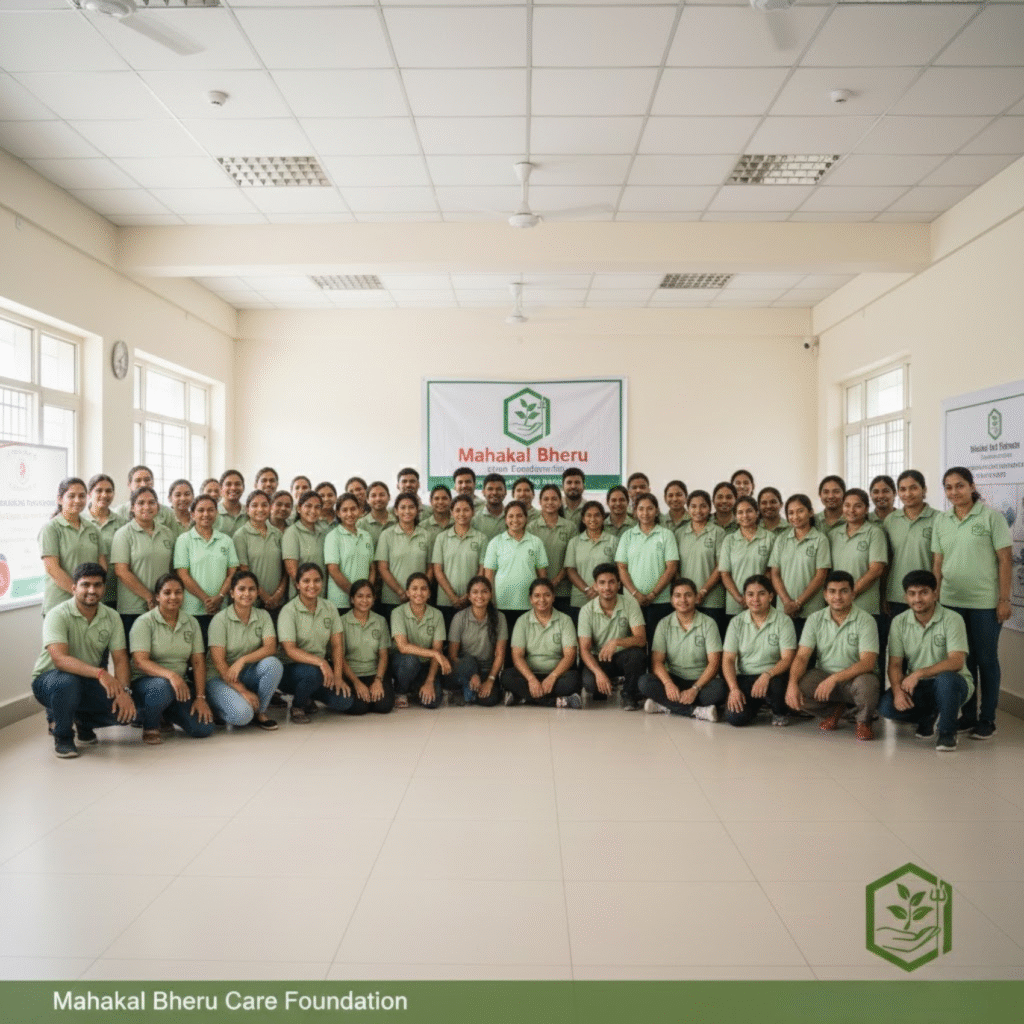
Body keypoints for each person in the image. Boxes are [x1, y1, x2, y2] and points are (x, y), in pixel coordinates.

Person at [932, 466, 1012, 740]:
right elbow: (938, 563)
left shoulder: (991, 518)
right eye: (949, 487)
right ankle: (967, 716)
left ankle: (987, 719)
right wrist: (935, 598)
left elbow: (1005, 560)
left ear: (971, 486)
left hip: (985, 604)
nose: (954, 492)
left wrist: (1003, 599)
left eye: (959, 485)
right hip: (951, 602)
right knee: (960, 662)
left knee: (986, 660)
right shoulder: (942, 521)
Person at [31, 563, 135, 758]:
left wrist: (123, 692)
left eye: (97, 585)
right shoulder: (57, 614)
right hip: (50, 681)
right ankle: (63, 736)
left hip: (86, 681)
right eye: (85, 585)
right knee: (67, 682)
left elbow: (120, 659)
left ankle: (83, 721)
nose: (91, 590)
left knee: (126, 714)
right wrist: (100, 673)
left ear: (104, 588)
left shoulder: (111, 616)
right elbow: (60, 660)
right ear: (74, 588)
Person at [878, 570, 973, 752]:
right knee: (886, 707)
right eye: (912, 594)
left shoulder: (953, 619)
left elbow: (956, 662)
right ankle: (927, 716)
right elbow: (895, 664)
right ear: (906, 597)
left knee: (946, 680)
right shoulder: (899, 622)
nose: (917, 599)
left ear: (935, 594)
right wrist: (898, 691)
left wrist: (919, 673)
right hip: (920, 685)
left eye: (924, 592)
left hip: (954, 682)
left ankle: (947, 733)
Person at [786, 570, 880, 740]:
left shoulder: (866, 620)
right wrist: (791, 683)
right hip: (824, 674)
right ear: (825, 595)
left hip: (856, 677)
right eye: (832, 591)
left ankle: (863, 721)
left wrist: (834, 678)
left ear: (852, 593)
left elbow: (868, 663)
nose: (838, 597)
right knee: (798, 689)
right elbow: (801, 657)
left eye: (844, 591)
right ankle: (833, 711)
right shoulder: (815, 619)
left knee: (868, 686)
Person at [128, 572, 215, 745]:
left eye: (178, 592)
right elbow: (140, 661)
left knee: (203, 728)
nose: (173, 597)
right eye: (167, 593)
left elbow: (198, 662)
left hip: (179, 686)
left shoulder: (191, 623)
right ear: (157, 597)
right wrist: (171, 675)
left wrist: (200, 697)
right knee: (162, 686)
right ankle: (150, 725)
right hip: (147, 683)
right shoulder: (144, 622)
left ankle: (164, 712)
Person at [638, 578, 727, 720]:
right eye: (677, 596)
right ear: (672, 600)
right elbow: (657, 662)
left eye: (688, 595)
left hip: (701, 681)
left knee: (720, 689)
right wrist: (668, 684)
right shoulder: (664, 624)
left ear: (696, 597)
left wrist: (695, 689)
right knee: (644, 682)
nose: (683, 600)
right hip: (675, 679)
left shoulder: (709, 624)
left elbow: (714, 663)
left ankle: (665, 705)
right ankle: (696, 711)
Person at [206, 569, 282, 731]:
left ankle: (260, 712)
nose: (247, 593)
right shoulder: (220, 620)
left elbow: (270, 647)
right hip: (220, 677)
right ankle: (217, 707)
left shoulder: (263, 616)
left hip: (247, 672)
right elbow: (219, 664)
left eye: (252, 589)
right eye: (241, 589)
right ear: (232, 593)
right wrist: (243, 691)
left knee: (273, 664)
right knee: (242, 716)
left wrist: (242, 660)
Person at [277, 562, 352, 723]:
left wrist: (338, 676)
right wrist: (321, 662)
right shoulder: (288, 611)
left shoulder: (329, 607)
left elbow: (337, 645)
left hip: (319, 671)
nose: (312, 585)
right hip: (291, 671)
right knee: (313, 673)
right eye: (306, 581)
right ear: (297, 584)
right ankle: (298, 705)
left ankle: (308, 695)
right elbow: (290, 650)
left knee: (345, 701)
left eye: (317, 580)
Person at [722, 575, 797, 727]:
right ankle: (757, 705)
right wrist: (734, 689)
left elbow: (787, 658)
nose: (755, 599)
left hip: (774, 676)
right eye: (750, 594)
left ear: (770, 596)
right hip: (746, 677)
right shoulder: (736, 622)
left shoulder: (783, 621)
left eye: (761, 594)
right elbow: (728, 659)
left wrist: (766, 675)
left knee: (777, 686)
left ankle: (779, 710)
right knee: (734, 718)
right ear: (744, 597)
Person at [503, 578, 582, 708]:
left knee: (574, 680)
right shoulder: (522, 621)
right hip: (529, 674)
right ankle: (560, 701)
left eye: (547, 595)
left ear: (553, 597)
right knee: (507, 677)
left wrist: (553, 676)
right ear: (530, 599)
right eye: (537, 596)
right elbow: (517, 655)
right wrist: (531, 679)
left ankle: (523, 698)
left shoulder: (565, 620)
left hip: (557, 675)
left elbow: (570, 655)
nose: (542, 600)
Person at [110, 485, 176, 641]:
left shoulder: (167, 533)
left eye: (151, 502)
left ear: (157, 507)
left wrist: (163, 598)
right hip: (133, 608)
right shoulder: (123, 534)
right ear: (132, 508)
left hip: (163, 606)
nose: (146, 507)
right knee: (135, 656)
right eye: (141, 503)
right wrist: (149, 597)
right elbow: (121, 571)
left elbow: (171, 569)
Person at [577, 563, 647, 710]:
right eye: (602, 583)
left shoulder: (630, 603)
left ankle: (629, 695)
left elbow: (641, 639)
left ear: (619, 584)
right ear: (595, 586)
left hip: (621, 656)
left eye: (611, 582)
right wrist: (599, 673)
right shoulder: (586, 610)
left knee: (637, 655)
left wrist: (616, 642)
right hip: (599, 658)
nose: (607, 588)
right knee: (591, 685)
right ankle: (609, 681)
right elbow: (584, 649)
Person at [173, 493, 239, 645]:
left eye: (210, 510)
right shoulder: (183, 540)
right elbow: (183, 575)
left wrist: (220, 597)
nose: (206, 514)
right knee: (195, 654)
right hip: (192, 610)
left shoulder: (226, 540)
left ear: (216, 513)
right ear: (192, 514)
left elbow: (232, 574)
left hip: (220, 609)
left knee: (218, 650)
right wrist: (206, 600)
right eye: (201, 510)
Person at [616, 492, 679, 638]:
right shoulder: (627, 536)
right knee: (633, 644)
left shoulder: (666, 535)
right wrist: (635, 594)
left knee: (657, 644)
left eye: (650, 508)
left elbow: (671, 568)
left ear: (656, 511)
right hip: (631, 601)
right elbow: (621, 568)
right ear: (635, 512)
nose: (645, 513)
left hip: (660, 600)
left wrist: (653, 594)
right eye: (641, 509)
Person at [769, 493, 830, 640]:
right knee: (786, 653)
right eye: (790, 512)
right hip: (784, 609)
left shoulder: (820, 539)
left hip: (812, 609)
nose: (795, 516)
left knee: (808, 655)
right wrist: (786, 602)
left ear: (810, 512)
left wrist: (798, 603)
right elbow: (775, 573)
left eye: (800, 511)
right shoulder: (781, 539)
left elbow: (821, 575)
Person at [39, 477, 104, 616]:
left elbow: (101, 565)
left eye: (81, 496)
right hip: (59, 604)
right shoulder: (51, 529)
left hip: (89, 604)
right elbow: (52, 569)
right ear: (60, 499)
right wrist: (80, 593)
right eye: (71, 496)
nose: (77, 500)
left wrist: (93, 593)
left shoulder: (93, 529)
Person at [482, 500, 549, 633]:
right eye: (510, 516)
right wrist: (490, 602)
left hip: (530, 604)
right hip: (501, 604)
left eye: (519, 516)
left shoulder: (536, 542)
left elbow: (542, 577)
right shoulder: (495, 543)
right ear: (505, 519)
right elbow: (488, 576)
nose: (515, 520)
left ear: (526, 518)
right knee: (504, 643)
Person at [829, 488, 887, 632]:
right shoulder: (833, 534)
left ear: (866, 509)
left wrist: (849, 593)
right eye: (847, 505)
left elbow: (876, 570)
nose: (851, 510)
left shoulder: (874, 533)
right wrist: (839, 597)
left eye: (858, 506)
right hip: (837, 606)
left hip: (865, 605)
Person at [444, 575, 507, 707]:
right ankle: (467, 687)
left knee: (488, 700)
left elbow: (500, 654)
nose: (480, 596)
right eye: (475, 592)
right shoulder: (459, 617)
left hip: (486, 669)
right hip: (465, 666)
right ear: (469, 596)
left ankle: (468, 692)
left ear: (490, 594)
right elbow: (453, 655)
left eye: (484, 591)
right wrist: (472, 673)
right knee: (468, 662)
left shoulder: (499, 618)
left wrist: (490, 680)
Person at [884, 470, 936, 622]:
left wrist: (936, 592)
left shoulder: (938, 519)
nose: (908, 493)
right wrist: (883, 595)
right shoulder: (890, 520)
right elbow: (887, 559)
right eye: (903, 489)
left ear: (924, 490)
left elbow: (940, 560)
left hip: (926, 595)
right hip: (896, 595)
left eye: (913, 488)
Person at [390, 572, 448, 709]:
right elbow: (403, 647)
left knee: (433, 702)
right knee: (411, 661)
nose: (419, 593)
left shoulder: (437, 615)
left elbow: (438, 650)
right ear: (408, 593)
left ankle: (417, 689)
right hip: (403, 662)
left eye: (424, 589)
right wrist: (434, 653)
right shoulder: (398, 612)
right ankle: (401, 691)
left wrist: (429, 681)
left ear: (429, 593)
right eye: (414, 588)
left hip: (426, 666)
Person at [675, 489, 726, 637]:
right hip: (685, 601)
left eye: (703, 506)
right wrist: (684, 593)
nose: (698, 510)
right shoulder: (679, 533)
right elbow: (674, 567)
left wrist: (703, 591)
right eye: (693, 506)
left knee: (713, 641)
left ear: (710, 509)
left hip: (712, 599)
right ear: (688, 508)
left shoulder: (718, 532)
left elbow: (720, 566)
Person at [339, 579, 394, 715]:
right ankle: (363, 699)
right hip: (351, 674)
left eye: (368, 596)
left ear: (374, 599)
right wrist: (357, 683)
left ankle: (372, 694)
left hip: (374, 673)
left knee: (384, 706)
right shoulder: (341, 622)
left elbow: (383, 655)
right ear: (352, 599)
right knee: (358, 708)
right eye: (360, 596)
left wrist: (378, 681)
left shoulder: (380, 621)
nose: (364, 600)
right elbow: (339, 657)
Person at [432, 495, 486, 629]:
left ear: (473, 512)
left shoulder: (481, 538)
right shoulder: (442, 538)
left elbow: (482, 569)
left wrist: (469, 595)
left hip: (473, 600)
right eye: (457, 510)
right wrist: (452, 597)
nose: (462, 514)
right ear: (451, 513)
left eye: (466, 510)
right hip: (446, 600)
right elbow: (437, 570)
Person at [719, 496, 776, 620]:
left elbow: (771, 571)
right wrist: (740, 598)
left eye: (749, 511)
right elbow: (725, 574)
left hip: (761, 603)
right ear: (735, 517)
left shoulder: (770, 538)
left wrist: (756, 596)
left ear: (757, 513)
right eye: (740, 512)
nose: (745, 515)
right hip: (735, 604)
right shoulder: (729, 540)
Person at [233, 490, 286, 617]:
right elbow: (244, 571)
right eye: (255, 505)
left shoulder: (277, 534)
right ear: (247, 509)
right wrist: (264, 596)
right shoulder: (240, 535)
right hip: (252, 601)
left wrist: (278, 594)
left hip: (278, 601)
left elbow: (286, 569)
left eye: (264, 505)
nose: (260, 509)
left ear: (270, 507)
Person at [564, 501, 619, 620]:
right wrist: (587, 589)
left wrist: (598, 588)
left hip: (607, 599)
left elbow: (618, 569)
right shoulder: (574, 542)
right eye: (589, 515)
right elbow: (570, 570)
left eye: (597, 515)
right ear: (583, 519)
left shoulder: (613, 541)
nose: (593, 519)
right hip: (580, 600)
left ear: (603, 518)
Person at [376, 493, 431, 609]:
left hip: (419, 599)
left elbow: (430, 567)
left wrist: (419, 591)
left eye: (411, 507)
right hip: (392, 599)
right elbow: (382, 568)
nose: (407, 511)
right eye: (402, 507)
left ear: (417, 510)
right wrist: (401, 592)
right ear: (396, 511)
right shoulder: (386, 535)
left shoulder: (426, 535)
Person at [528, 484, 576, 614]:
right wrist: (542, 583)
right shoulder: (531, 528)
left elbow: (571, 559)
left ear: (560, 502)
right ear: (540, 502)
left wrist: (557, 580)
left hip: (563, 590)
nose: (550, 502)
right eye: (546, 499)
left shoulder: (570, 527)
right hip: (538, 593)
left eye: (554, 499)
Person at [325, 492, 376, 611]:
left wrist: (366, 594)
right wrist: (355, 595)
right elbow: (333, 570)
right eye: (345, 510)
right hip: (340, 602)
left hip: (364, 602)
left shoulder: (366, 536)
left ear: (360, 510)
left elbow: (372, 568)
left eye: (353, 509)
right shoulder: (333, 536)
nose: (349, 514)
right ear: (338, 513)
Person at [82, 473, 126, 606]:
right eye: (99, 490)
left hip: (115, 592)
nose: (104, 495)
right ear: (90, 494)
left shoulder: (122, 523)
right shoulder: (80, 521)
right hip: (86, 591)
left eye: (109, 491)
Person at [282, 491, 326, 598]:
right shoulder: (292, 532)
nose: (313, 510)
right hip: (303, 594)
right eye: (308, 506)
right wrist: (310, 589)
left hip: (322, 594)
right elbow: (292, 570)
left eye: (317, 507)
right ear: (299, 508)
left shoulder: (324, 532)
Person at [113, 465, 175, 530]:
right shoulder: (119, 513)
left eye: (147, 480)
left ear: (153, 483)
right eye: (138, 480)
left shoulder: (167, 513)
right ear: (129, 485)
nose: (143, 484)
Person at [359, 481, 397, 548]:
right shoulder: (361, 524)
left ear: (389, 497)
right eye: (373, 496)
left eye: (382, 495)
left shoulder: (397, 521)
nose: (378, 499)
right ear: (367, 499)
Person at [472, 473, 507, 542]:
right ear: (483, 492)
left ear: (505, 492)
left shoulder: (513, 517)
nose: (494, 493)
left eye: (499, 489)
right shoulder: (474, 519)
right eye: (490, 489)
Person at [419, 484, 453, 551]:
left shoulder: (458, 523)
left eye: (444, 498)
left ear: (450, 500)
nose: (440, 502)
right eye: (436, 498)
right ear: (431, 501)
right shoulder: (423, 527)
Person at [215, 469, 247, 537]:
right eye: (228, 484)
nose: (233, 488)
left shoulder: (250, 512)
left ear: (243, 488)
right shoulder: (212, 512)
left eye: (238, 484)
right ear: (221, 488)